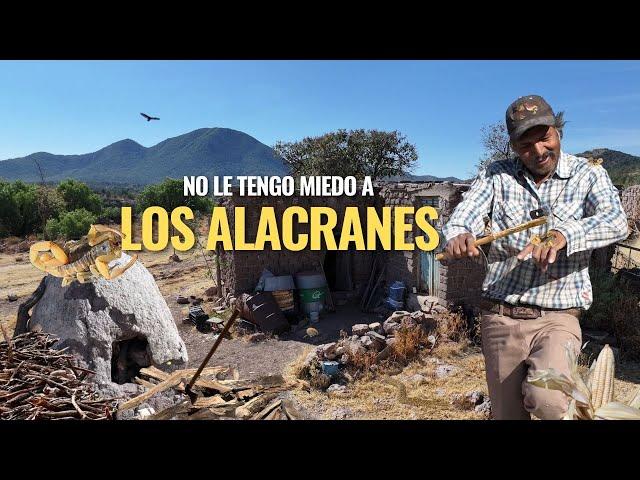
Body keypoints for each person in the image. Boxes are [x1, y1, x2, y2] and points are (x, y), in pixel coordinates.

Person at [441, 94, 629, 419]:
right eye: (526, 145)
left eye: (545, 138)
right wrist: (459, 233)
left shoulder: (588, 175)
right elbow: (465, 213)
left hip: (558, 316)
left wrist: (564, 234)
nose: (539, 151)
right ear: (513, 147)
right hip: (500, 315)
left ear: (558, 132)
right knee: (506, 414)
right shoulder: (496, 175)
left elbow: (616, 221)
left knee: (550, 400)